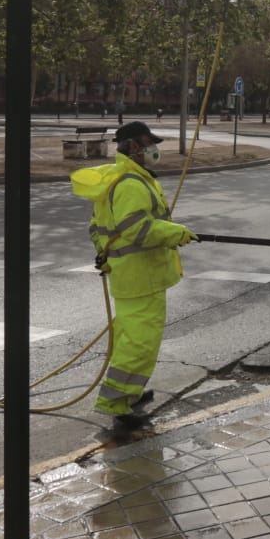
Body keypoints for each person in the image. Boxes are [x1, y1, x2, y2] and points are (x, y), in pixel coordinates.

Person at [70, 120, 196, 438]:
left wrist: (107, 256)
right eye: (149, 143)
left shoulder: (129, 178)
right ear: (134, 147)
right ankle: (116, 405)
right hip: (141, 277)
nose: (155, 149)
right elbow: (138, 230)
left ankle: (131, 393)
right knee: (140, 344)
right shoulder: (129, 184)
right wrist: (176, 233)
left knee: (131, 339)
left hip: (135, 276)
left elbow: (97, 229)